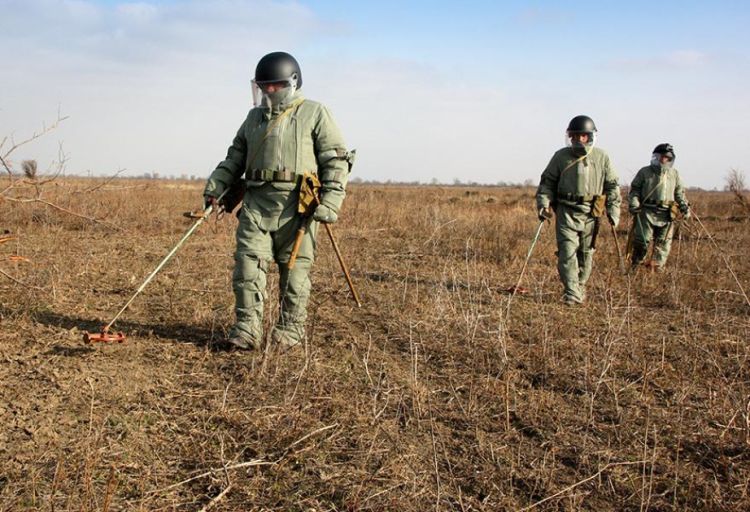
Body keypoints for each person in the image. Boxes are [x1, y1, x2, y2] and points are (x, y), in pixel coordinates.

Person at [203, 51, 352, 350]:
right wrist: (215, 187)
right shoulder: (253, 118)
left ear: (292, 82)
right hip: (256, 205)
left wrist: (331, 201)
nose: (268, 91)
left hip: (298, 209)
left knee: (294, 274)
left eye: (275, 85)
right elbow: (235, 157)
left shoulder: (315, 113)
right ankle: (245, 332)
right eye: (263, 86)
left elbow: (336, 160)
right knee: (247, 269)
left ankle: (289, 333)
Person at [535, 115, 622, 304]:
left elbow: (612, 187)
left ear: (589, 136)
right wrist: (543, 204)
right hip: (566, 211)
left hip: (592, 213)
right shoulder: (560, 156)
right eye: (574, 136)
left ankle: (580, 285)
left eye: (582, 136)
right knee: (567, 252)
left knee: (585, 254)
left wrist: (614, 212)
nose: (578, 140)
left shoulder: (602, 157)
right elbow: (547, 182)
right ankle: (571, 292)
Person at [628, 143, 690, 271]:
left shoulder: (674, 174)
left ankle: (656, 272)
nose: (664, 160)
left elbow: (679, 193)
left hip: (667, 214)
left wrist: (685, 207)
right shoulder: (645, 172)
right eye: (661, 156)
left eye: (667, 158)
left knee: (662, 246)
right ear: (655, 157)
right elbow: (635, 190)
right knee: (642, 241)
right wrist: (634, 203)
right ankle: (635, 268)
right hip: (646, 212)